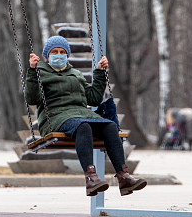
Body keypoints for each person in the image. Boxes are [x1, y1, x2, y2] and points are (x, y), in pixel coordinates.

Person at [26, 35, 147, 197]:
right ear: (47, 56)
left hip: (81, 114)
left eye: (62, 52)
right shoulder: (40, 73)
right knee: (83, 126)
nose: (58, 55)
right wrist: (32, 72)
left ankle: (123, 177)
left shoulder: (75, 74)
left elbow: (93, 98)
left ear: (67, 55)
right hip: (55, 117)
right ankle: (91, 178)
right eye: (54, 52)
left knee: (110, 126)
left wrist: (99, 73)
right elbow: (32, 99)